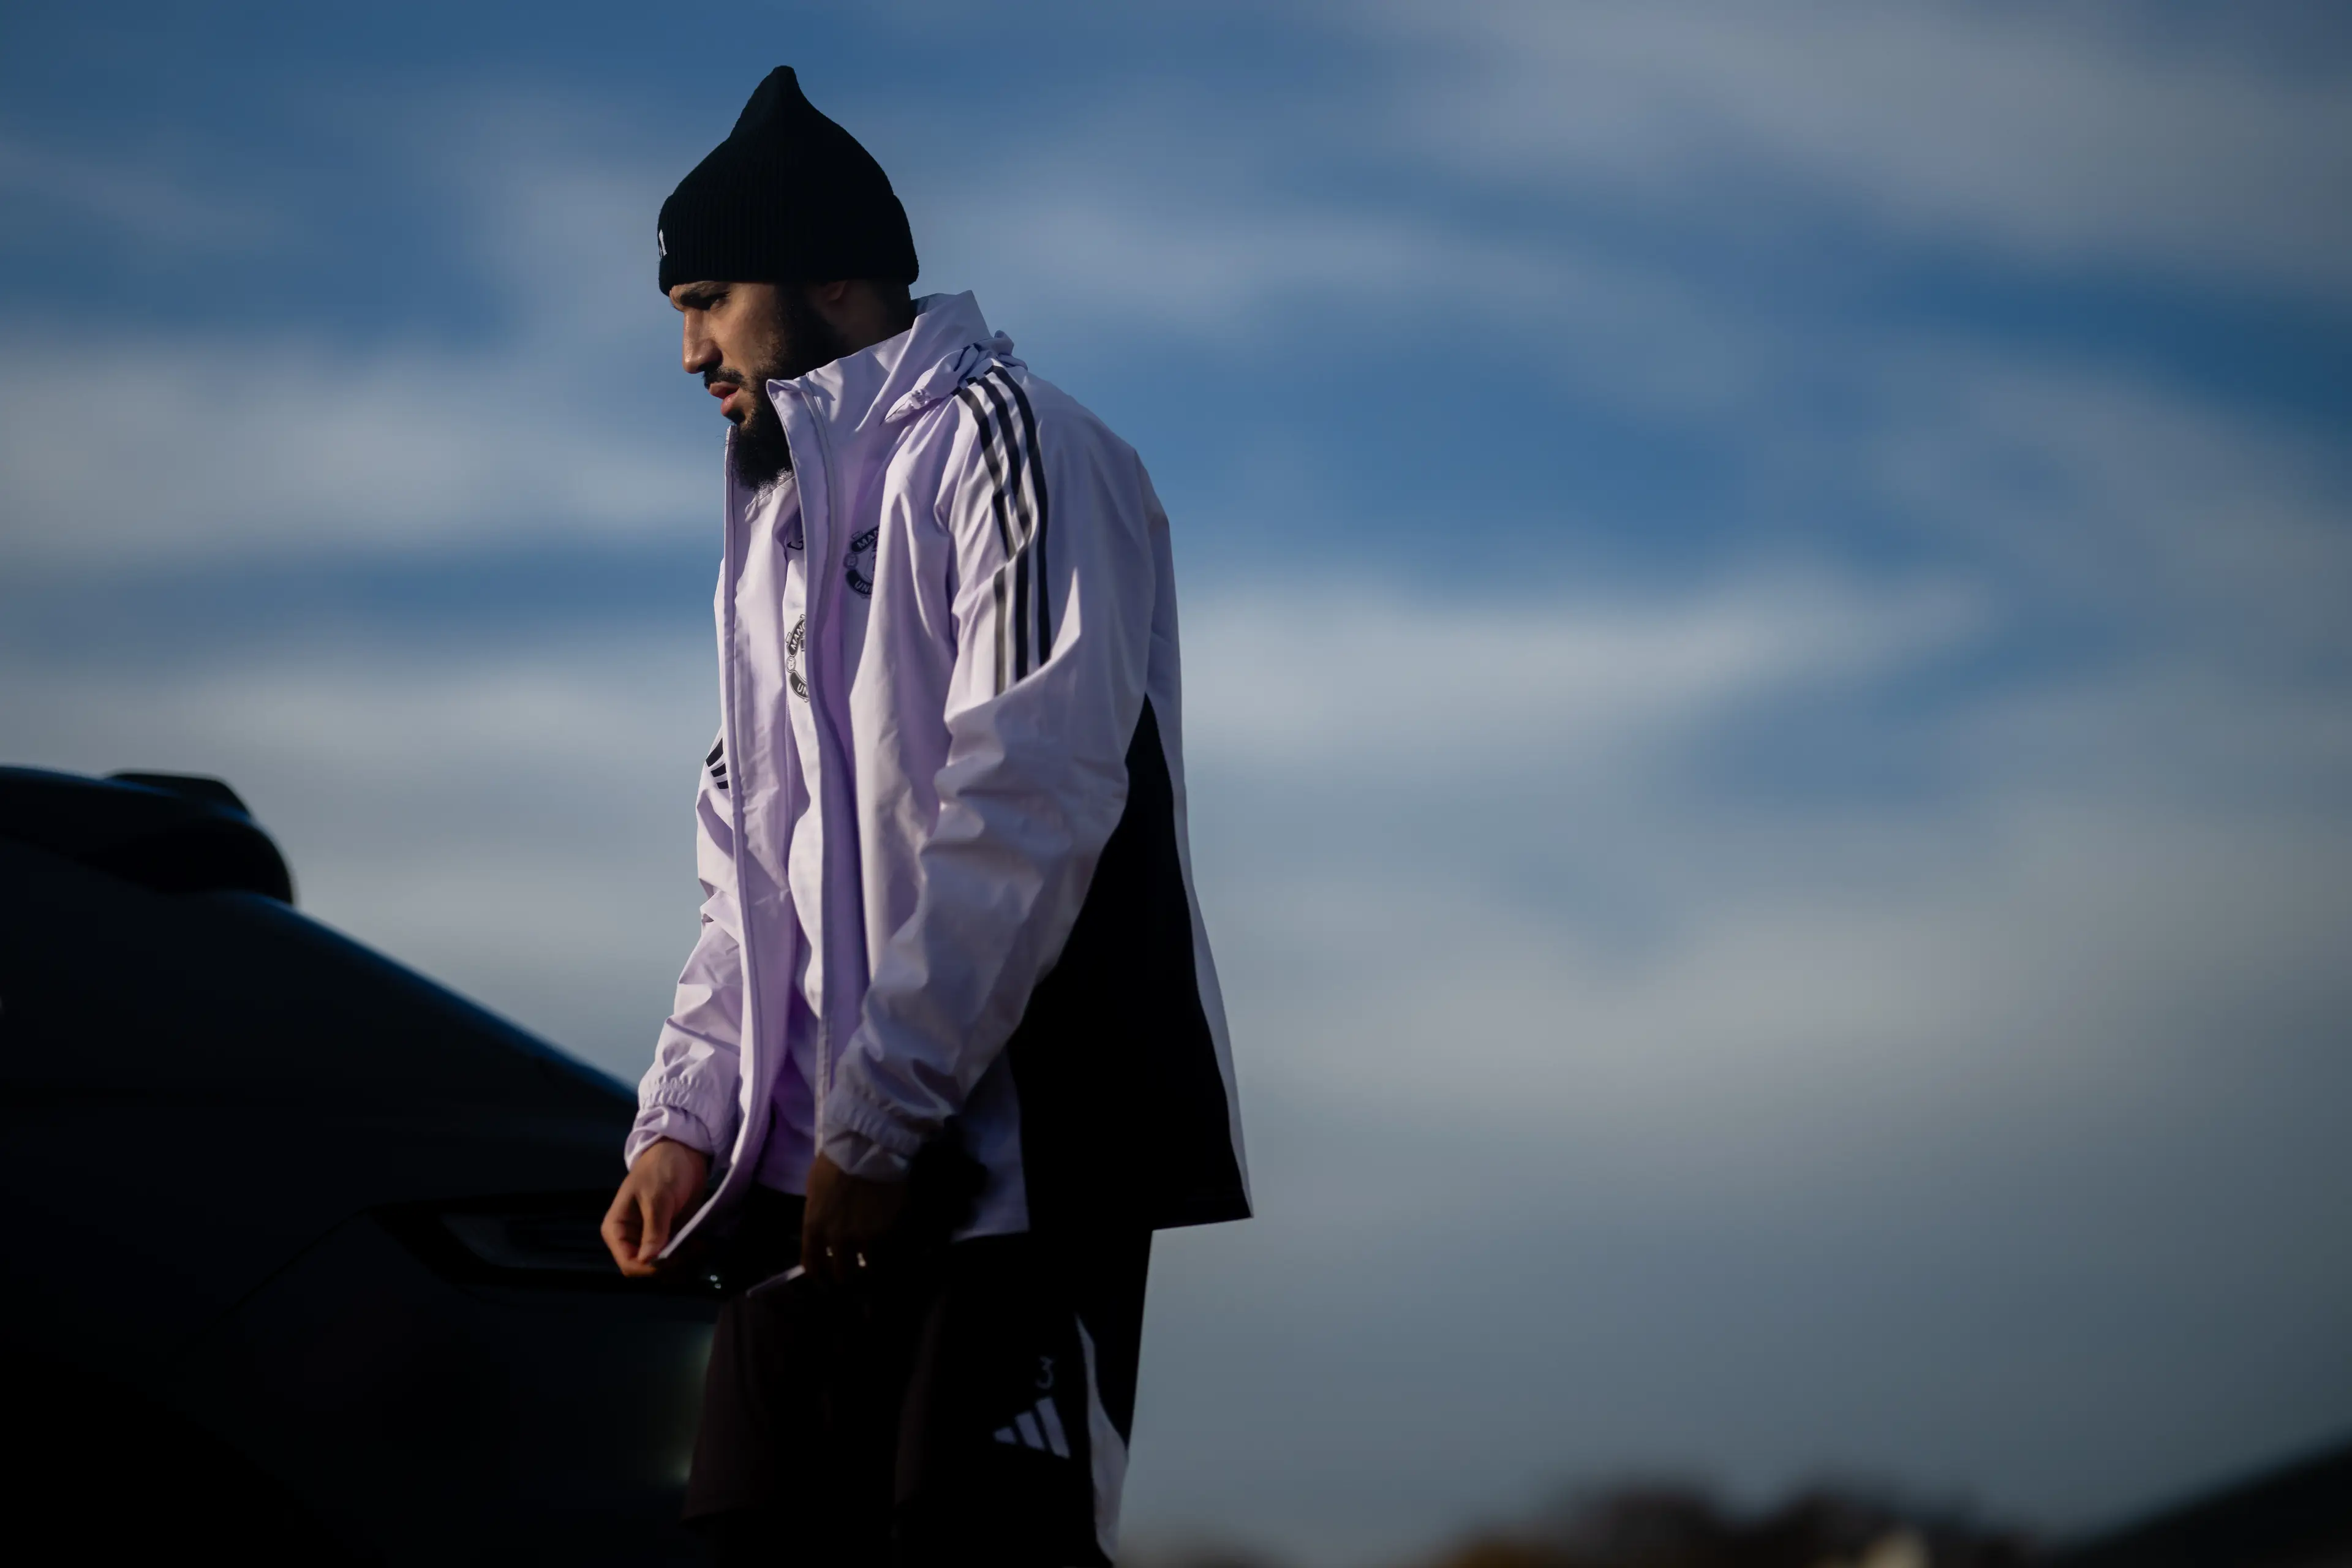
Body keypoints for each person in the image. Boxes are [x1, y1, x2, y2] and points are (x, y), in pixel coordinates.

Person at [597, 67, 1251, 1566]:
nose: (689, 347)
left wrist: (884, 1117)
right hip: (799, 1188)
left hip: (1009, 1172)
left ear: (835, 275)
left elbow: (1032, 789)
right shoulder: (769, 524)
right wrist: (689, 1118)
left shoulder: (1015, 445)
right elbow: (743, 863)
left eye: (709, 297)